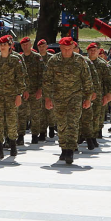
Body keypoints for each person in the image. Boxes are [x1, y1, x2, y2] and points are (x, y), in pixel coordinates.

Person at [44, 36, 93, 166]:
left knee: (72, 122)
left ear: (73, 47)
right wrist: (47, 98)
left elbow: (87, 80)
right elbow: (47, 80)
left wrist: (87, 98)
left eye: (69, 48)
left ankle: (70, 150)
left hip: (75, 97)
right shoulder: (54, 60)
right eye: (64, 49)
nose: (67, 51)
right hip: (58, 97)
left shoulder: (80, 60)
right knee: (61, 124)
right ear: (60, 48)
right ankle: (63, 148)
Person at [0, 35, 25, 159]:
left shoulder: (15, 60)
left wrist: (19, 95)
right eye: (1, 45)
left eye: (5, 45)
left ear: (9, 46)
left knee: (11, 121)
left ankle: (13, 145)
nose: (3, 47)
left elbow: (20, 79)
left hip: (11, 96)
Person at [20, 38, 46, 144]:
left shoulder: (37, 57)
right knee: (21, 114)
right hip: (23, 91)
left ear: (31, 45)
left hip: (35, 91)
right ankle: (20, 135)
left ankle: (35, 135)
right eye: (23, 45)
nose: (25, 46)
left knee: (35, 114)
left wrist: (40, 90)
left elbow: (42, 75)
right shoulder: (19, 58)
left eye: (27, 44)